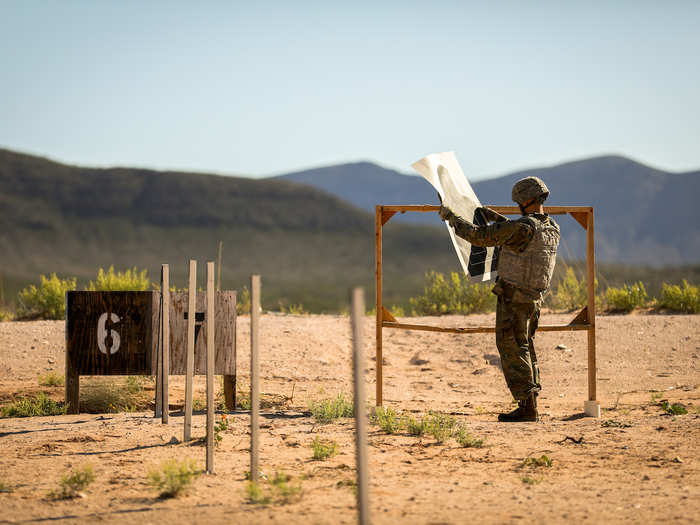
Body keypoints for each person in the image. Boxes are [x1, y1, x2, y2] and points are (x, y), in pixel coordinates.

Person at [439, 177, 560, 422]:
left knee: (512, 349)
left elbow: (478, 236)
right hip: (533, 299)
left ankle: (527, 407)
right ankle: (530, 403)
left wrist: (451, 217)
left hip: (514, 298)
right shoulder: (551, 226)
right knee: (525, 347)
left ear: (524, 200)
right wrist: (497, 219)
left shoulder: (522, 227)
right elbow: (520, 233)